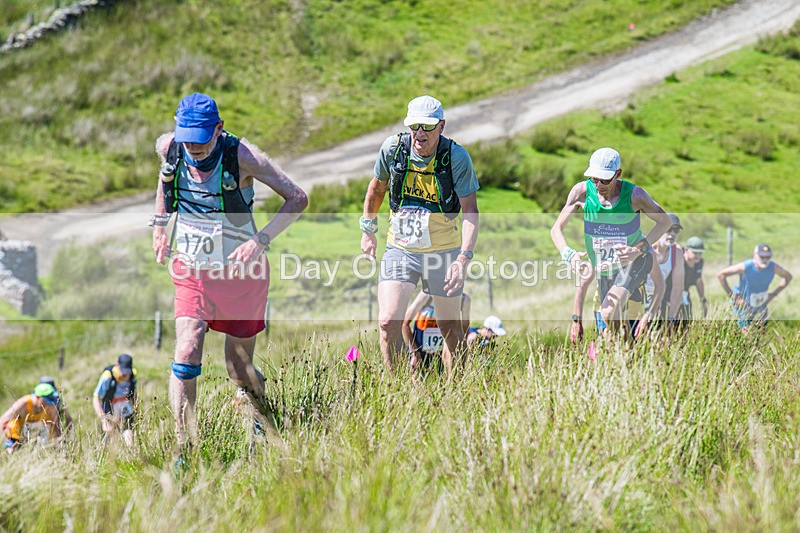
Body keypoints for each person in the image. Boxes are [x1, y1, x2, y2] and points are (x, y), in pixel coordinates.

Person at [152, 93, 307, 453]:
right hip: (193, 269)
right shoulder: (170, 147)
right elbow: (164, 181)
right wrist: (160, 225)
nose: (194, 147)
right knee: (187, 346)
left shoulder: (243, 157)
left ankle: (260, 417)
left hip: (242, 276)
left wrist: (260, 240)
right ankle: (184, 448)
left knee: (238, 368)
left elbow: (297, 197)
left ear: (219, 129)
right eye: (187, 137)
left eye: (202, 138)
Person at [360, 95, 479, 377]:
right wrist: (368, 231)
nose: (420, 133)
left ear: (441, 126)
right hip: (400, 249)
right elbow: (376, 189)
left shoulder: (456, 157)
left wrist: (462, 260)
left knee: (449, 327)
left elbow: (471, 212)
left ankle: (457, 391)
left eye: (427, 127)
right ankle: (401, 392)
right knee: (388, 322)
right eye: (414, 126)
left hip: (444, 252)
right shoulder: (393, 149)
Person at [551, 147, 671, 336]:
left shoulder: (635, 196)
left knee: (607, 312)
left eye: (605, 180)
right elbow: (556, 229)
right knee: (611, 330)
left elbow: (665, 222)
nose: (599, 185)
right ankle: (624, 351)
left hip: (635, 261)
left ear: (618, 174)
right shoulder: (581, 193)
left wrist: (638, 249)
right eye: (594, 179)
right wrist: (568, 254)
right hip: (605, 267)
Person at [717, 243, 793, 331]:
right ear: (754, 256)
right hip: (743, 305)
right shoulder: (746, 266)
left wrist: (773, 294)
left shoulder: (773, 267)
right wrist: (733, 296)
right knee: (745, 334)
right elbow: (721, 274)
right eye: (762, 257)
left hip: (760, 304)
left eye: (768, 257)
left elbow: (788, 277)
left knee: (760, 334)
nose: (765, 260)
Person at [401, 289, 471, 370]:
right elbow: (405, 324)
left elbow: (464, 333)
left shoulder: (464, 300)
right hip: (420, 353)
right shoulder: (426, 295)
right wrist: (414, 353)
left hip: (445, 353)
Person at [1, 383, 62, 455]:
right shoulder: (24, 403)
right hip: (15, 437)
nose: (48, 403)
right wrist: (7, 443)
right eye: (46, 399)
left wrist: (58, 451)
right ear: (37, 397)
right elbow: (2, 421)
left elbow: (56, 428)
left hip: (39, 439)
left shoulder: (51, 406)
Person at [93, 354, 137, 446]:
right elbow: (96, 398)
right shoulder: (108, 377)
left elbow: (134, 393)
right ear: (117, 365)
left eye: (127, 372)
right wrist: (104, 420)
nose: (124, 375)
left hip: (125, 408)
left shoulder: (132, 376)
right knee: (111, 437)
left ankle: (131, 452)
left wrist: (136, 408)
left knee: (128, 432)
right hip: (109, 410)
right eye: (122, 371)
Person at [650, 213, 685, 324]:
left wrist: (671, 317)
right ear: (659, 229)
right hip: (637, 301)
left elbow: (678, 287)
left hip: (657, 300)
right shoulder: (647, 248)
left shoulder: (677, 253)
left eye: (676, 230)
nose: (672, 234)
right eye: (668, 229)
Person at [680, 236, 709, 319]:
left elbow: (698, 280)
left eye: (700, 253)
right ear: (686, 250)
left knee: (687, 319)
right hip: (670, 293)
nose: (698, 256)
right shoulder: (679, 260)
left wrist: (703, 300)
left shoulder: (699, 263)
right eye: (695, 253)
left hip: (684, 294)